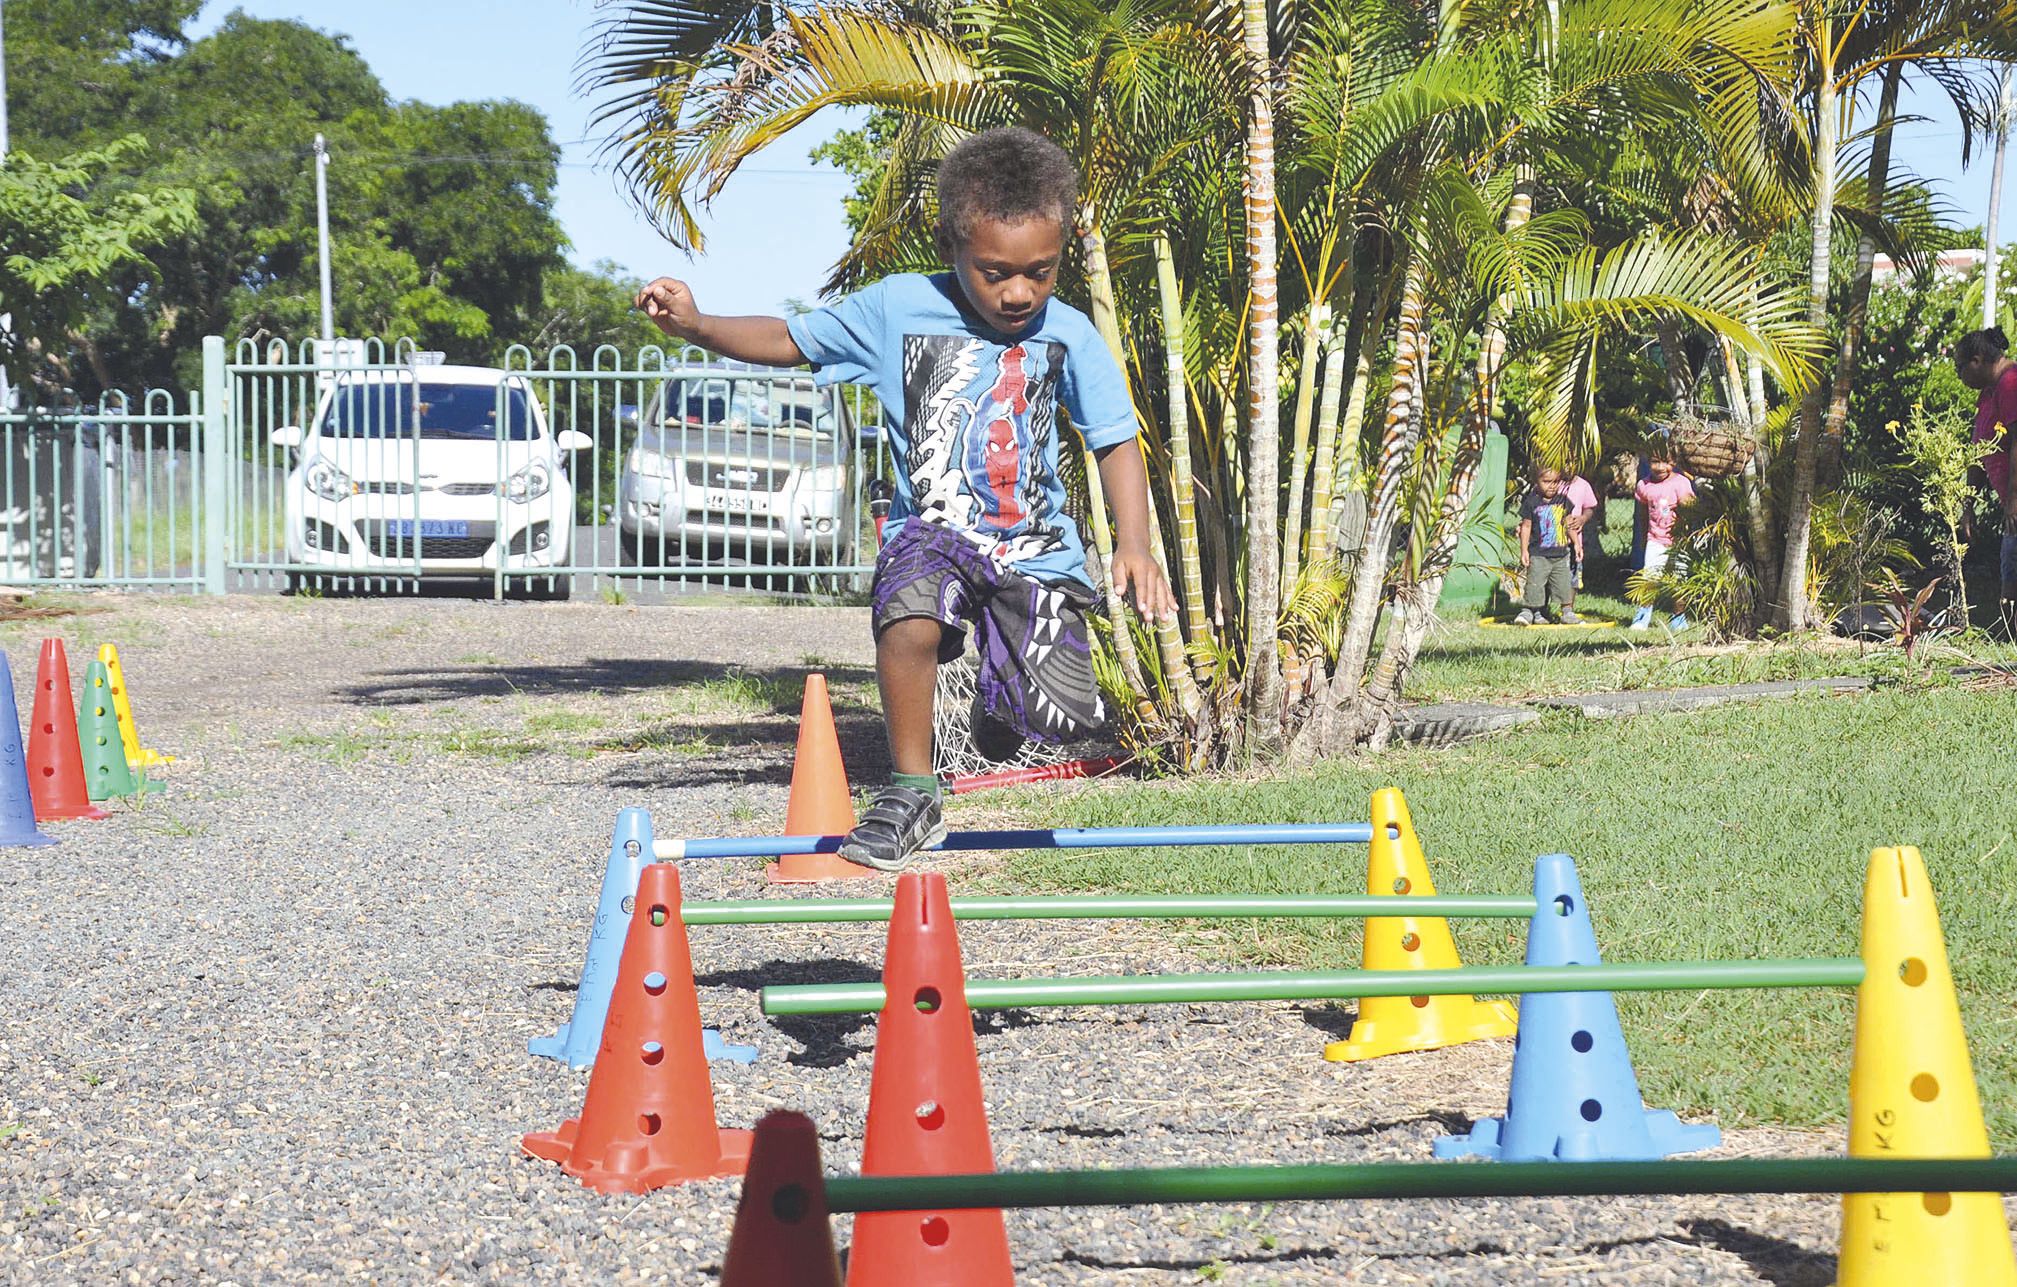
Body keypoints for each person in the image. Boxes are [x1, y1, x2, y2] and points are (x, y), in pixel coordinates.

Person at [635, 127, 1175, 871]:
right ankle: (911, 789)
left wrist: (1134, 544)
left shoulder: (1071, 334)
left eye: (1039, 274)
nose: (1018, 292)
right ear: (951, 244)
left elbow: (1114, 437)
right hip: (932, 528)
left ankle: (1004, 703)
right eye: (994, 273)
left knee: (1051, 714)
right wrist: (698, 326)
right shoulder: (896, 307)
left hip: (1035, 552)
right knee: (910, 606)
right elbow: (790, 338)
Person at [1954, 326, 2017, 626]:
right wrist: (1968, 506)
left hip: (2015, 502)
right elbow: (1980, 453)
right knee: (2010, 571)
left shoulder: (2010, 384)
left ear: (1976, 360)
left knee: (2012, 572)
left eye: (1960, 368)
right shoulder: (1988, 394)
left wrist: (2015, 499)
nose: (1959, 377)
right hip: (2011, 505)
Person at [1630, 453, 1697, 629]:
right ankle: (1642, 617)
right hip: (1656, 538)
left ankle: (1679, 617)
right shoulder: (1644, 485)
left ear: (1674, 462)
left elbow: (1689, 509)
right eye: (1655, 462)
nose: (1660, 467)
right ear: (1647, 462)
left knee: (1679, 580)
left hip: (1679, 540)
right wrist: (1645, 537)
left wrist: (1685, 533)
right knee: (1650, 578)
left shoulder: (1681, 482)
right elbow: (1643, 513)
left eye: (1666, 462)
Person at [1515, 467, 1580, 624]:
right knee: (1535, 584)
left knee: (1564, 583)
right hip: (1538, 554)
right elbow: (1526, 527)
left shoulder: (1564, 501)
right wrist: (1524, 550)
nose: (1552, 486)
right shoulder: (1531, 502)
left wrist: (1577, 543)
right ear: (1536, 482)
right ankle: (1531, 612)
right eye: (1546, 482)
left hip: (1561, 553)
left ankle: (1567, 611)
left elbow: (1569, 523)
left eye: (1556, 482)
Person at [1563, 471, 1600, 597]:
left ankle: (1568, 610)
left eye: (1572, 462)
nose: (1567, 467)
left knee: (1572, 577)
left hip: (1572, 542)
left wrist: (1583, 518)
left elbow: (1590, 507)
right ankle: (1541, 609)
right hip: (1549, 542)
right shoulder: (1549, 483)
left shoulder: (1583, 485)